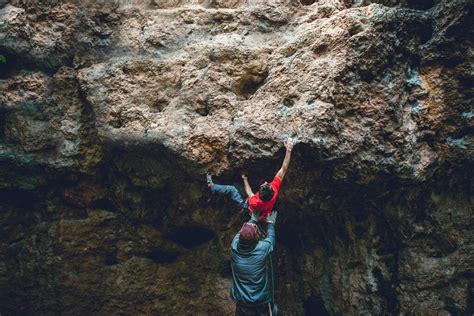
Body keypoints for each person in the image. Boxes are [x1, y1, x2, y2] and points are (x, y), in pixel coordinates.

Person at [207, 138, 293, 222]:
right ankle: (222, 188)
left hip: (246, 206)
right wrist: (288, 150)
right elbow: (284, 168)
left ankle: (212, 187)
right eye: (267, 184)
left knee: (232, 189)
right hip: (262, 212)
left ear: (259, 195)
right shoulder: (274, 188)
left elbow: (249, 192)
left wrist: (245, 179)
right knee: (236, 185)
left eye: (263, 185)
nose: (266, 182)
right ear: (272, 190)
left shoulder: (255, 202)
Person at [231, 211, 279, 315]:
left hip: (242, 303)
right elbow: (270, 240)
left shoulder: (234, 246)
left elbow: (240, 233)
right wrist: (270, 223)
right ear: (255, 238)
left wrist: (253, 219)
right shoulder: (261, 249)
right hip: (261, 303)